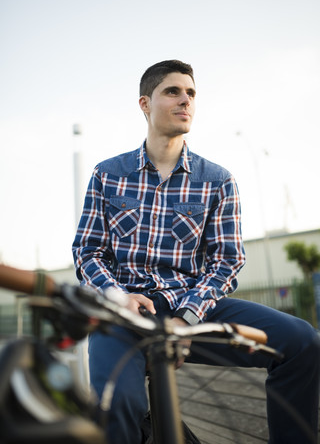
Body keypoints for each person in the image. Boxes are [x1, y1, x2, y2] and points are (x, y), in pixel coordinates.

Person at [72, 60, 320, 444]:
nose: (185, 100)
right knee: (118, 402)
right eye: (173, 91)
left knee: (302, 342)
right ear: (145, 104)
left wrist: (188, 318)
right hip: (123, 313)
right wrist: (119, 297)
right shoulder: (108, 174)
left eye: (191, 93)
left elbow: (227, 261)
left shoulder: (218, 180)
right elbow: (88, 252)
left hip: (194, 309)